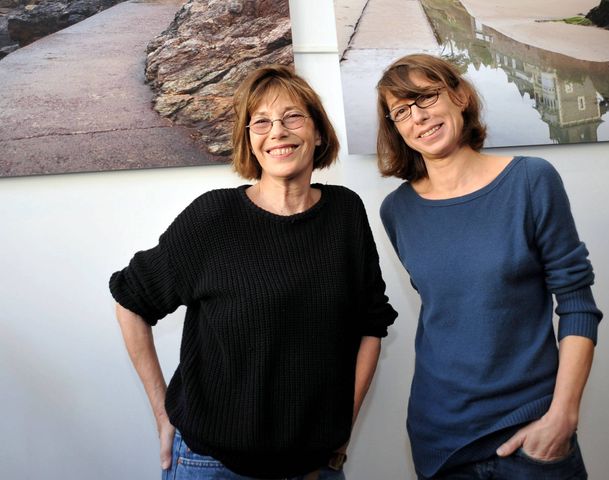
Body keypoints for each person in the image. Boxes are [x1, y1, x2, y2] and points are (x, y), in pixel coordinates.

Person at [110, 64, 397, 480]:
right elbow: (131, 301)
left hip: (313, 467)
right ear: (249, 140)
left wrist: (340, 430)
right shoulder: (213, 217)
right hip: (212, 466)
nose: (277, 131)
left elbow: (371, 323)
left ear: (318, 133)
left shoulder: (345, 213)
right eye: (260, 122)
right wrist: (162, 411)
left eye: (293, 117)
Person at [375, 53, 603, 479]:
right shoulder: (396, 210)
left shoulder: (532, 181)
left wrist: (562, 417)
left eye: (425, 98)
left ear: (460, 96)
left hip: (531, 436)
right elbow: (449, 311)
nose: (418, 118)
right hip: (439, 441)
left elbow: (577, 306)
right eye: (401, 111)